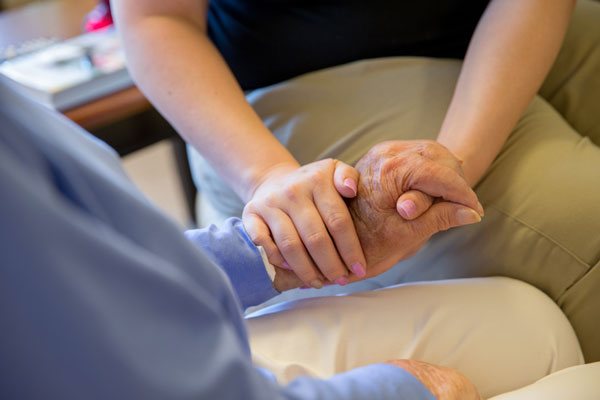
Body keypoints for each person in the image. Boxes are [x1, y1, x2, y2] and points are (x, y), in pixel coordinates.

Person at [1, 77, 596, 400]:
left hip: (153, 337)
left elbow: (105, 269)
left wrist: (272, 252)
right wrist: (406, 390)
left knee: (532, 320)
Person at [111, 0, 600, 362]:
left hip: (504, 22)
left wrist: (457, 157)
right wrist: (271, 176)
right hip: (297, 79)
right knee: (584, 218)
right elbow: (155, 18)